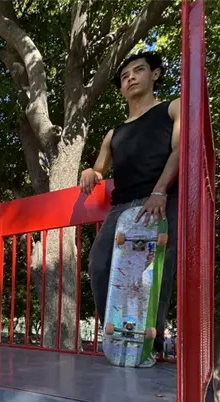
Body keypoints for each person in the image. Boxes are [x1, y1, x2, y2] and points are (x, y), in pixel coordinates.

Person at [80, 51, 180, 368]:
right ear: (122, 88)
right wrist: (90, 173)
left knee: (153, 276)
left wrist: (160, 190)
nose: (131, 78)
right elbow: (99, 168)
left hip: (160, 200)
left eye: (139, 71)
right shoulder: (114, 133)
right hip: (121, 207)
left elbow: (180, 149)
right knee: (99, 264)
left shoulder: (172, 107)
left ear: (156, 75)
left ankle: (151, 344)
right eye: (125, 76)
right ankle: (118, 336)